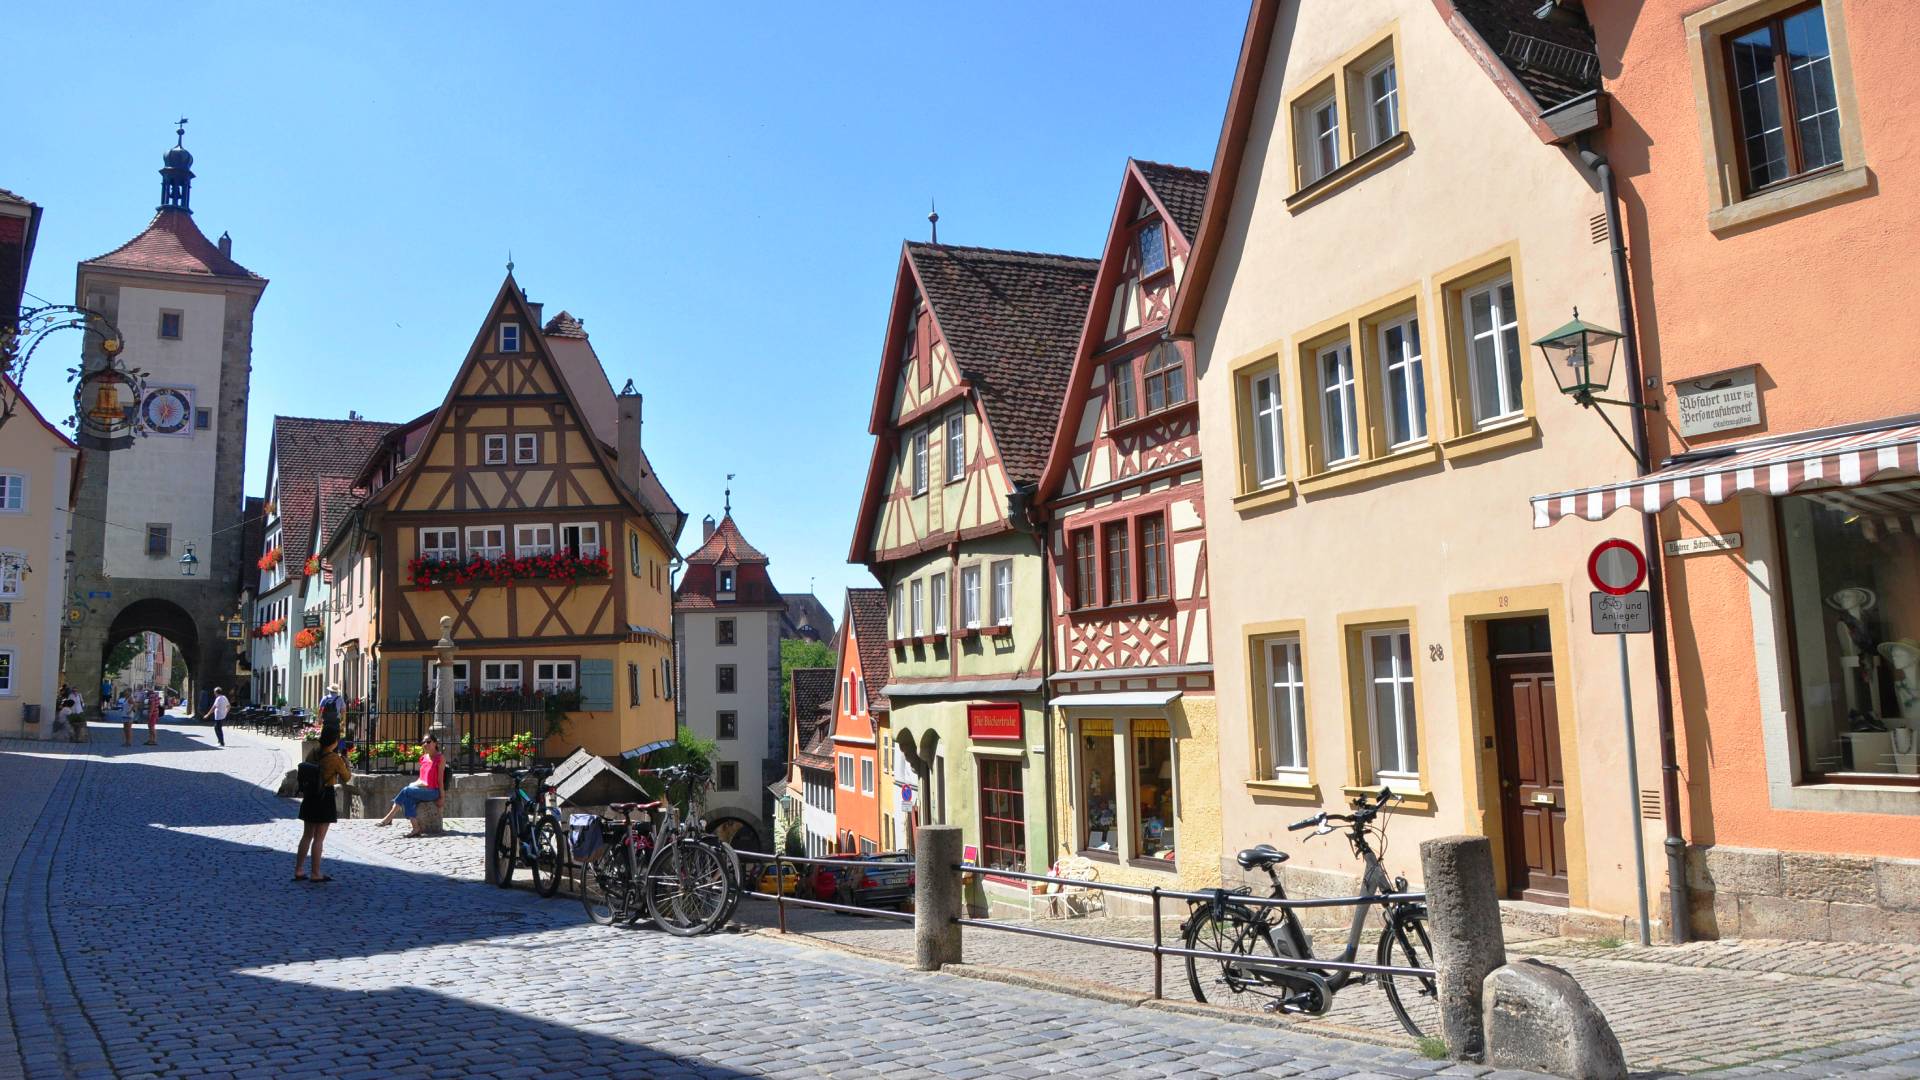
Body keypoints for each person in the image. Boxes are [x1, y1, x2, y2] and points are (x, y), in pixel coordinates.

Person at [294, 728, 352, 881]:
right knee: (319, 838)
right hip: (325, 796)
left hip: (310, 795)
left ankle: (299, 870)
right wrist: (346, 763)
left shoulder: (313, 752)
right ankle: (315, 873)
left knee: (306, 835)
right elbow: (346, 778)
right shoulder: (335, 759)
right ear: (334, 742)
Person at [375, 734, 444, 836]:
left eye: (428, 742)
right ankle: (415, 827)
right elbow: (421, 778)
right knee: (408, 798)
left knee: (406, 790)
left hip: (433, 791)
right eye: (423, 742)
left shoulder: (440, 758)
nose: (425, 744)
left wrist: (442, 797)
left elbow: (440, 779)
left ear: (435, 743)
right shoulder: (423, 758)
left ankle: (389, 817)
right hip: (422, 789)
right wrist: (413, 785)